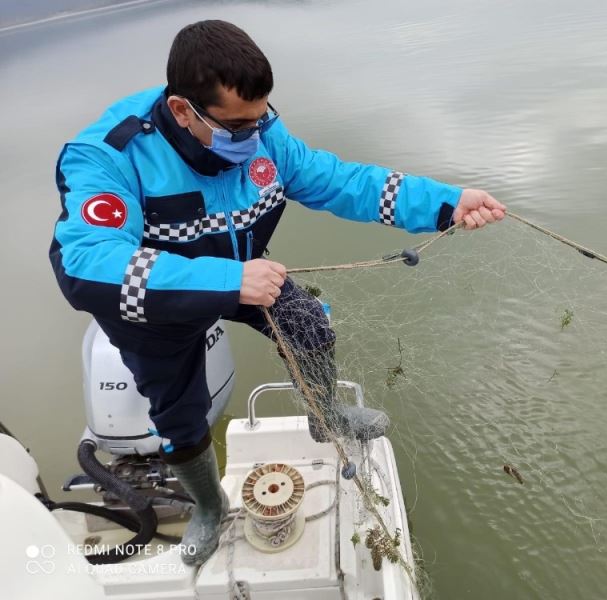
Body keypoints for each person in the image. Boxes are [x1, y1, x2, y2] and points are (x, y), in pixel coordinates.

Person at [49, 20, 506, 565]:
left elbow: (339, 180)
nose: (252, 137)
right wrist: (227, 280)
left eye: (259, 120)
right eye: (236, 127)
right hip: (154, 302)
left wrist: (447, 203)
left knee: (310, 324)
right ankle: (209, 509)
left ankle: (325, 415)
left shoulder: (264, 134)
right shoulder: (107, 156)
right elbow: (85, 263)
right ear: (181, 110)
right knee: (179, 415)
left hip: (246, 274)